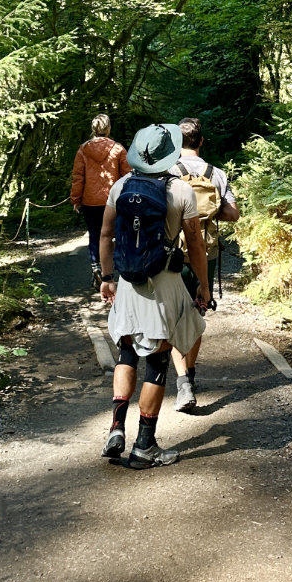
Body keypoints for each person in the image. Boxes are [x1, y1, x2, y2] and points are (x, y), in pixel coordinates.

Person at [98, 122, 210, 468]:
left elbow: (105, 235)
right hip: (164, 281)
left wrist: (106, 278)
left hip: (129, 282)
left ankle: (117, 427)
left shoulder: (121, 185)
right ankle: (144, 445)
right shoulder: (181, 191)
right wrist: (203, 288)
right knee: (158, 361)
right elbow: (194, 244)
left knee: (127, 352)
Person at [170, 115, 239, 413]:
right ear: (201, 141)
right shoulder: (217, 173)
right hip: (207, 252)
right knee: (197, 312)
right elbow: (233, 213)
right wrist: (209, 216)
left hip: (173, 253)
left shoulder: (168, 171)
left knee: (174, 318)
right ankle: (191, 372)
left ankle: (182, 381)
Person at [70, 114, 130, 289]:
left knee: (95, 235)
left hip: (90, 202)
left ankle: (98, 271)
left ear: (93, 129)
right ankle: (120, 271)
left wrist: (76, 199)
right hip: (115, 201)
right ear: (108, 129)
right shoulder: (118, 149)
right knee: (118, 234)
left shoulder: (83, 150)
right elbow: (128, 176)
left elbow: (78, 177)